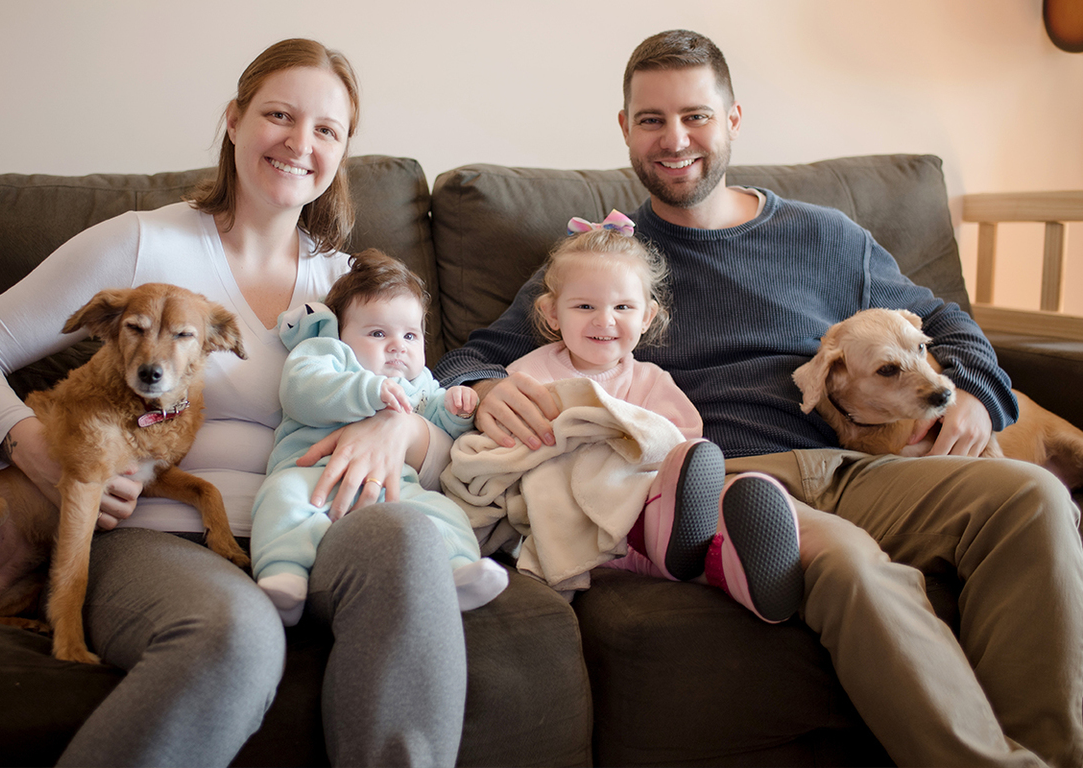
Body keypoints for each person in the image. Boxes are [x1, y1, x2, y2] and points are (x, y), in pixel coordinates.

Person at [434, 29, 1083, 768]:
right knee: (849, 564)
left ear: (733, 119)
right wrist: (483, 388)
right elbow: (469, 355)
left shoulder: (829, 237)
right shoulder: (606, 263)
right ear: (625, 130)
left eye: (696, 116)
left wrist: (970, 389)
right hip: (731, 482)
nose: (675, 139)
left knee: (1030, 497)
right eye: (651, 120)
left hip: (854, 463)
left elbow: (943, 323)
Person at [0, 39, 468, 767]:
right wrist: (34, 447)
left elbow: (436, 430)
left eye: (327, 130)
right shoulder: (142, 243)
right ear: (235, 120)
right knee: (233, 633)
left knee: (411, 543)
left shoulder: (350, 287)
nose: (301, 143)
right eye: (279, 114)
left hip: (319, 524)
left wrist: (400, 436)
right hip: (162, 531)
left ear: (342, 151)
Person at [467, 212, 803, 622]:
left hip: (644, 503)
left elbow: (681, 445)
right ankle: (698, 554)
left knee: (679, 523)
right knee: (652, 543)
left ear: (646, 317)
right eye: (585, 305)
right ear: (553, 314)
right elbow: (508, 442)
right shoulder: (530, 374)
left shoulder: (649, 380)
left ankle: (736, 566)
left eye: (623, 306)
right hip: (581, 513)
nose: (604, 320)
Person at [251, 249, 508, 625]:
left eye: (410, 335)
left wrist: (457, 410)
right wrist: (369, 390)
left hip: (393, 485)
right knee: (281, 499)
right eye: (377, 333)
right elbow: (303, 392)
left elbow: (438, 426)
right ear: (340, 332)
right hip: (310, 472)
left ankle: (458, 571)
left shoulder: (420, 383)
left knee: (444, 513)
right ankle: (284, 576)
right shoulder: (327, 354)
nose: (397, 346)